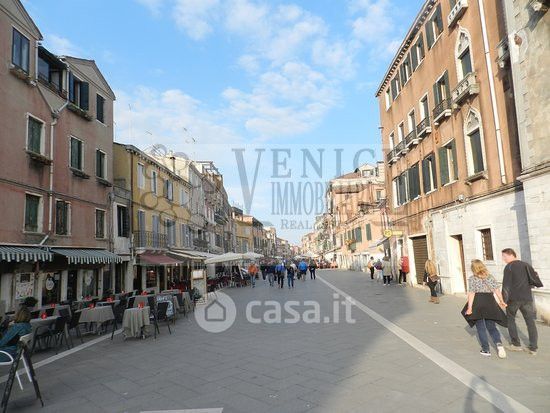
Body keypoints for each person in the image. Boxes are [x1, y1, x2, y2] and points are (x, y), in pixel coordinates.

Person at [463, 260, 508, 358]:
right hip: (490, 302)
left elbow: (471, 293)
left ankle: (486, 349)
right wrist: (501, 301)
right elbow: (497, 290)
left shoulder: (472, 279)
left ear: (473, 268)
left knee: (480, 327)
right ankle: (499, 344)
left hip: (478, 303)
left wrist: (470, 308)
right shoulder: (490, 277)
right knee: (491, 326)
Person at [501, 248, 542, 355]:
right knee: (530, 322)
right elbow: (534, 279)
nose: (503, 259)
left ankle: (516, 345)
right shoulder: (526, 265)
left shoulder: (509, 267)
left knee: (510, 319)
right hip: (527, 298)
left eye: (504, 256)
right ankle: (533, 348)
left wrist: (503, 300)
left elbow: (506, 285)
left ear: (510, 255)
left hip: (513, 299)